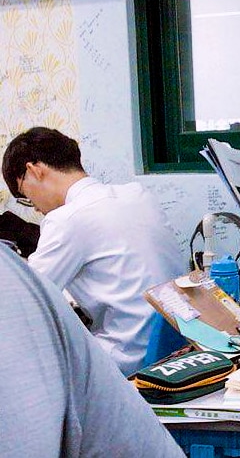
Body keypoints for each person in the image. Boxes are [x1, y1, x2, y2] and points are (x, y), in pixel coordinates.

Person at [2, 127, 184, 375]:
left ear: (34, 170)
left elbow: (22, 300)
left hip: (126, 359)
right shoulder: (137, 195)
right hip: (175, 349)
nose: (34, 208)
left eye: (26, 197)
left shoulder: (67, 219)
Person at [0, 244, 185, 458]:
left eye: (33, 206)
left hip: (126, 363)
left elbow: (48, 276)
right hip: (154, 360)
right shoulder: (18, 277)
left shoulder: (62, 225)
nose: (36, 208)